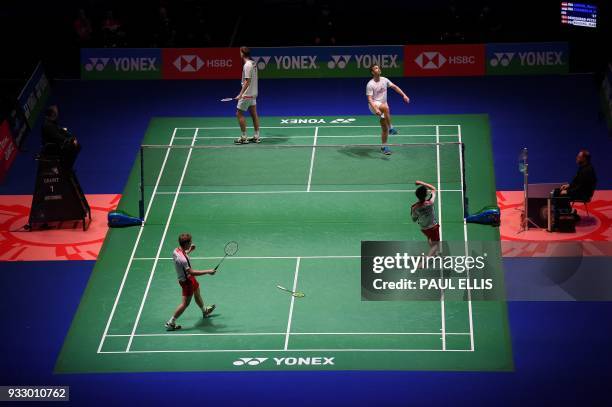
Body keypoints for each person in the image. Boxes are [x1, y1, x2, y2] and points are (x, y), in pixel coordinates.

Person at [165, 233, 217, 331]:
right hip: (186, 281)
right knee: (185, 304)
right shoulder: (183, 259)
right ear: (185, 244)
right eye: (190, 243)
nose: (191, 243)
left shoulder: (176, 250)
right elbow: (192, 272)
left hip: (188, 278)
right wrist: (208, 271)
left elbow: (183, 258)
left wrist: (189, 250)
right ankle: (171, 322)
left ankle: (204, 311)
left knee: (197, 292)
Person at [366, 64, 410, 155]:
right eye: (376, 68)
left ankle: (384, 146)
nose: (378, 69)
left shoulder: (384, 80)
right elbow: (370, 99)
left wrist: (404, 95)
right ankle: (392, 128)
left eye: (378, 68)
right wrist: (376, 109)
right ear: (372, 72)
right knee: (386, 108)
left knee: (384, 128)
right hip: (373, 105)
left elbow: (395, 87)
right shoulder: (370, 84)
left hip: (382, 105)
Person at [234, 46, 261, 144]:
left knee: (239, 114)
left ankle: (244, 137)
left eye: (239, 52)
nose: (239, 54)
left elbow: (247, 81)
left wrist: (240, 94)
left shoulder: (247, 65)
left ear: (242, 53)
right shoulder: (253, 63)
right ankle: (256, 136)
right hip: (254, 94)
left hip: (247, 95)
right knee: (254, 115)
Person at [411, 180, 440, 256]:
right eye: (427, 191)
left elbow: (414, 219)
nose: (428, 191)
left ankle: (435, 253)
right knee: (436, 245)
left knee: (429, 238)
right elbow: (433, 189)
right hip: (433, 227)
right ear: (426, 195)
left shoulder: (414, 207)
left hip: (424, 228)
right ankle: (425, 261)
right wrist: (421, 183)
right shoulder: (430, 203)